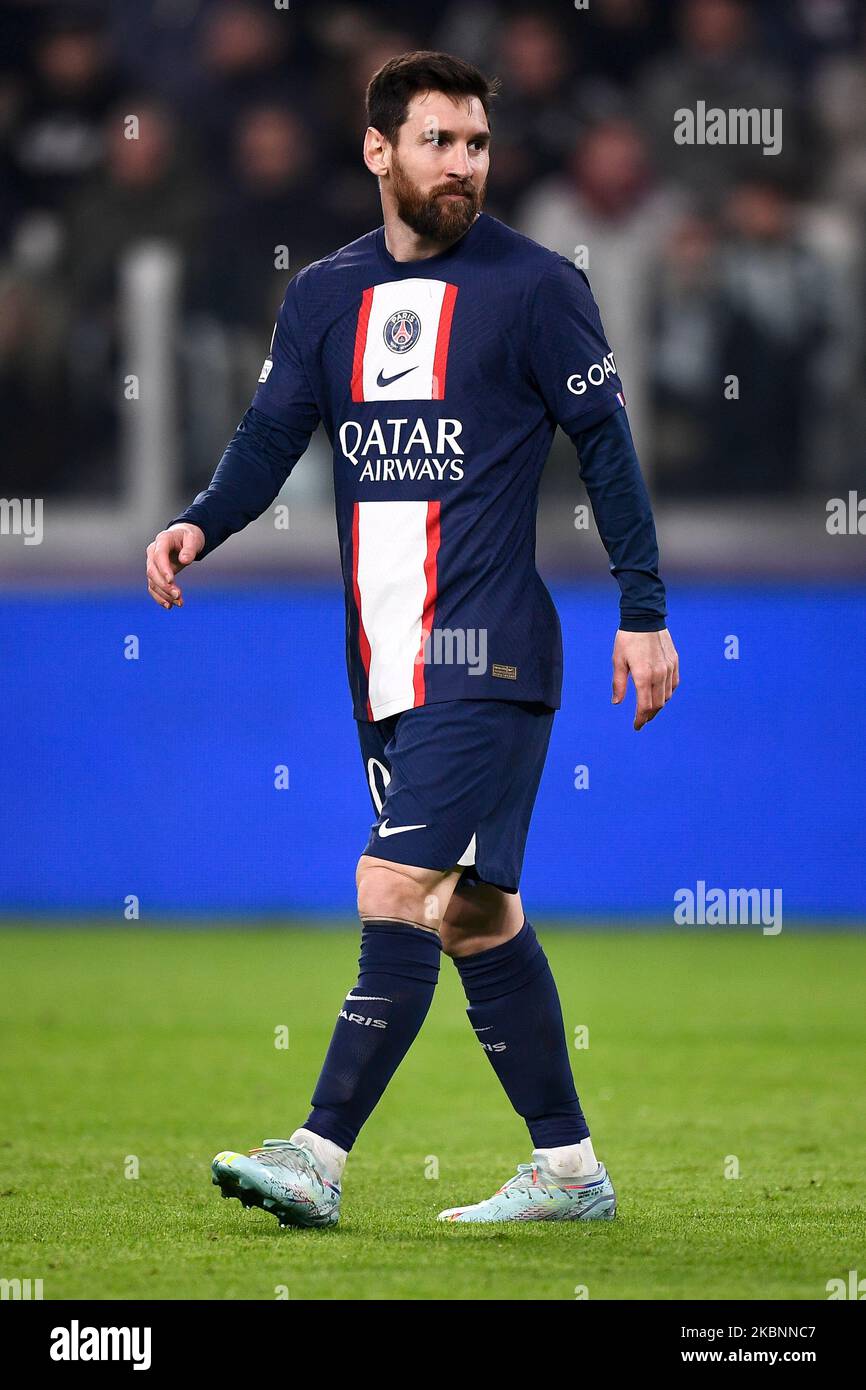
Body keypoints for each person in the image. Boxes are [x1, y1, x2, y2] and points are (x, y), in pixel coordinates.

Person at [145, 50, 678, 1228]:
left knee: (391, 884)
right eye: (436, 140)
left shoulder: (537, 288)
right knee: (474, 914)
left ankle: (315, 1156)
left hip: (483, 646)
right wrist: (197, 523)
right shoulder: (327, 295)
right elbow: (271, 432)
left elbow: (605, 446)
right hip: (382, 658)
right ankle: (571, 1170)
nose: (461, 164)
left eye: (476, 143)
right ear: (378, 150)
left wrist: (642, 609)